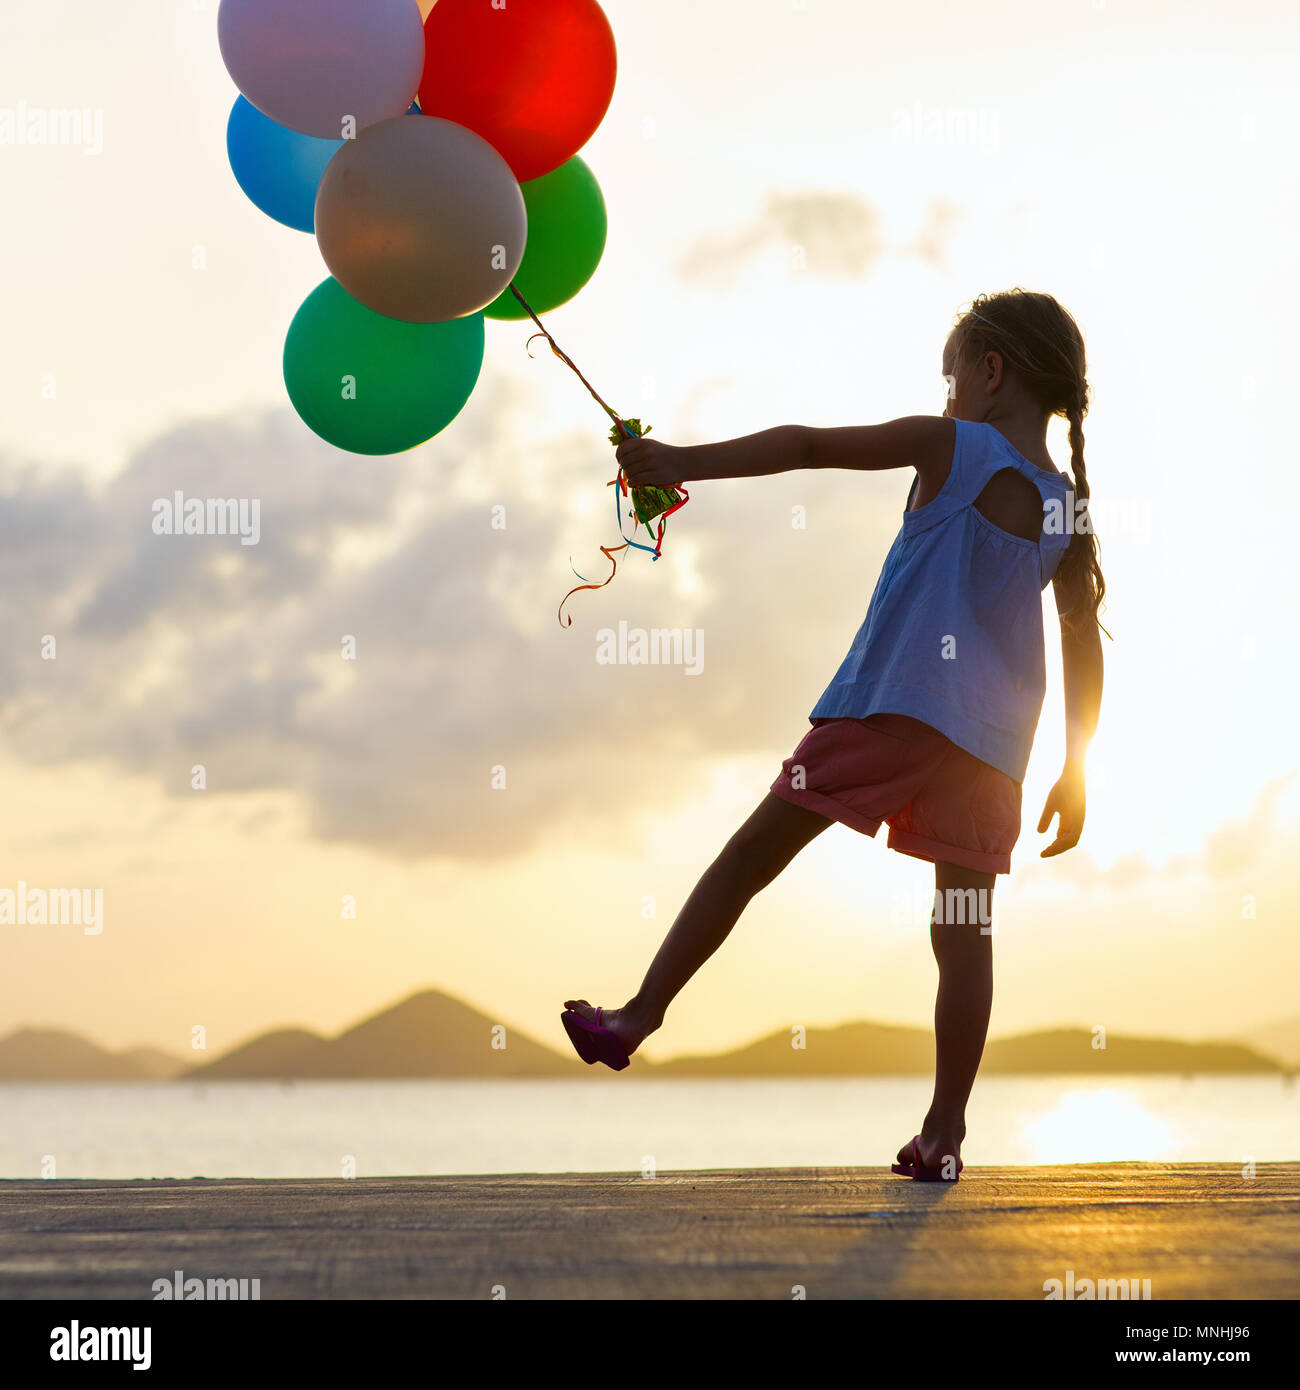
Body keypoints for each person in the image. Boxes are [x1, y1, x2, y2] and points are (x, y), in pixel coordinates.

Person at [562, 289, 1106, 1182]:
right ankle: (944, 1135)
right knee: (963, 934)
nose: (945, 396)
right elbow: (1082, 640)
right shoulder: (1066, 504)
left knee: (751, 856)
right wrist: (1076, 767)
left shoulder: (953, 446)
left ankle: (637, 1017)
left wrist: (674, 461)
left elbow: (807, 445)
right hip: (992, 750)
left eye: (951, 377)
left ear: (992, 372)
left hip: (891, 706)